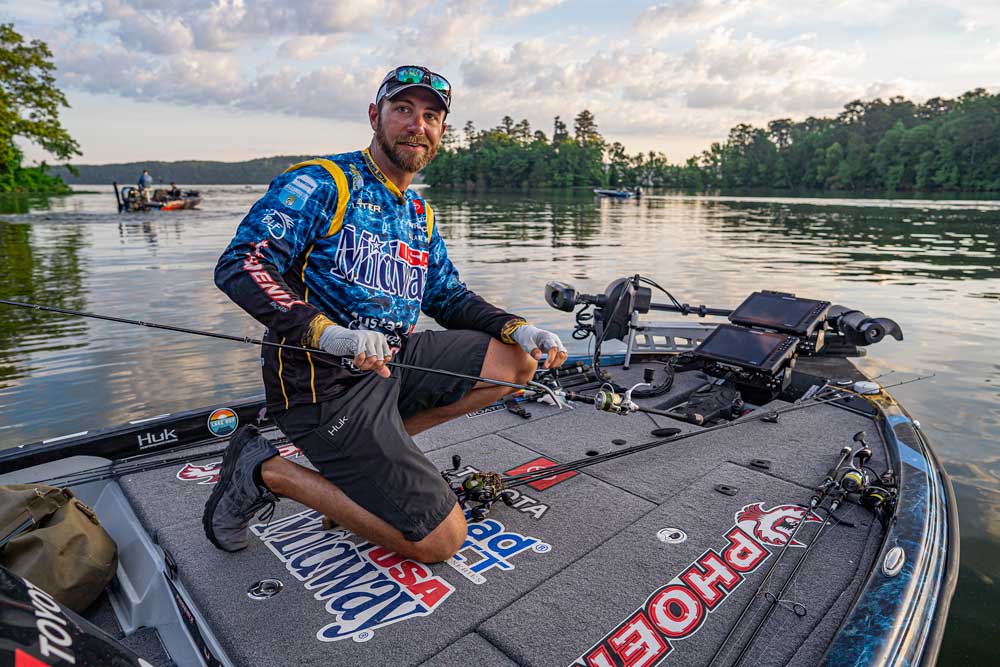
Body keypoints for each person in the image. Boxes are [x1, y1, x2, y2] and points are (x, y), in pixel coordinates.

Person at [204, 65, 568, 564]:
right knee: (440, 542)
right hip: (322, 387)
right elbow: (242, 264)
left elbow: (447, 296)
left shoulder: (418, 212)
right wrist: (328, 333)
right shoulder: (322, 182)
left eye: (431, 116)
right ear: (376, 116)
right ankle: (265, 472)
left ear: (441, 132)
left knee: (516, 363)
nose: (417, 125)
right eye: (403, 110)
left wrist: (519, 328)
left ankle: (360, 474)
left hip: (391, 364)